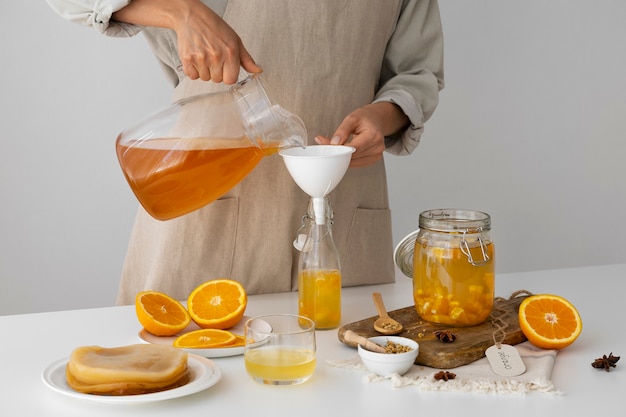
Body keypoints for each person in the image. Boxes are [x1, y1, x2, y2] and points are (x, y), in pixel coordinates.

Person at [45, 0, 445, 305]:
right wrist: (181, 11)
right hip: (206, 206)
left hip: (344, 214)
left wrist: (383, 116)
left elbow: (417, 72)